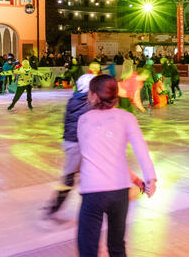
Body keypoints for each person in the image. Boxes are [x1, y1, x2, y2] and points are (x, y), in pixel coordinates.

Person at [76, 75, 156, 257]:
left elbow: (97, 157)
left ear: (94, 95)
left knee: (87, 247)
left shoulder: (84, 120)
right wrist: (148, 178)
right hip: (119, 191)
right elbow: (140, 149)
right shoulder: (127, 118)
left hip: (93, 191)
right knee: (117, 245)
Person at [45, 69, 97, 220]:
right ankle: (55, 206)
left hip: (72, 142)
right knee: (69, 176)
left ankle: (93, 204)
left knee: (87, 173)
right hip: (75, 145)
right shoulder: (86, 104)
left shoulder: (75, 99)